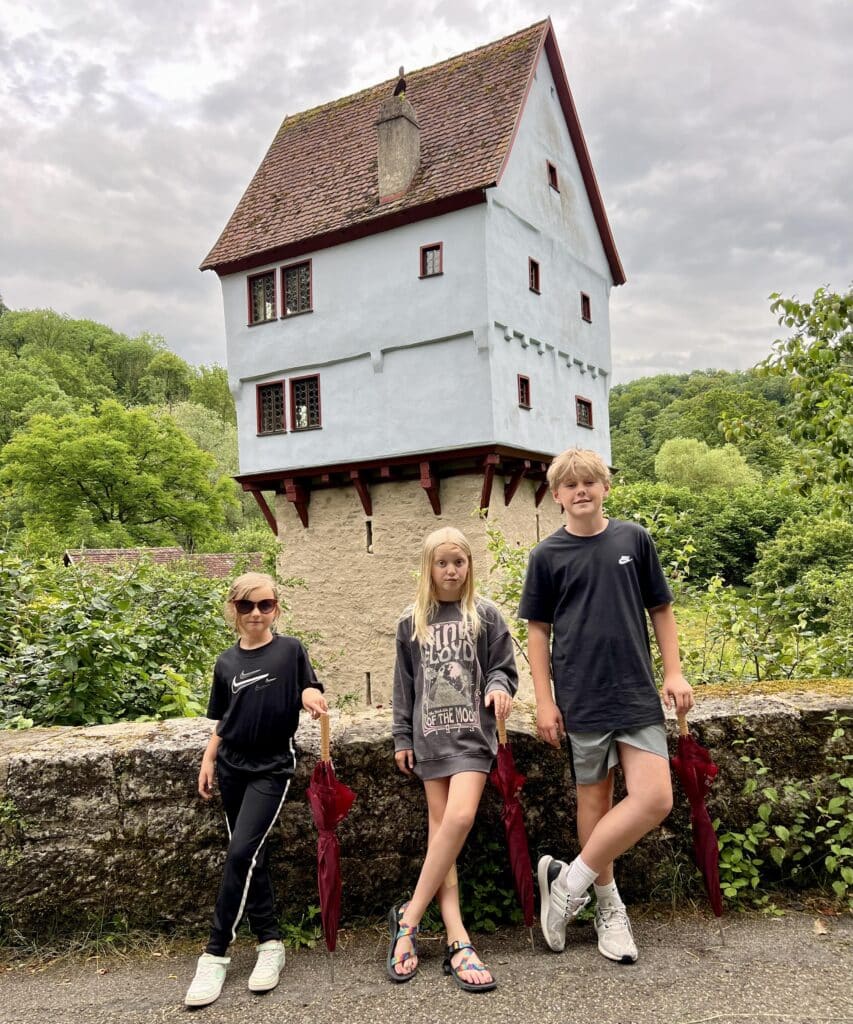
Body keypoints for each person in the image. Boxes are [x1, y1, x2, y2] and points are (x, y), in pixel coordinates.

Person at [518, 447, 693, 964]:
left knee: (654, 799)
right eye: (570, 485)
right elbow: (537, 633)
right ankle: (608, 906)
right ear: (556, 496)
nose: (581, 491)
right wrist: (544, 702)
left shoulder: (633, 539)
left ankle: (567, 884)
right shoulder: (546, 556)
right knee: (594, 803)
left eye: (589, 482)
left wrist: (675, 671)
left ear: (605, 487)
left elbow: (660, 608)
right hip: (581, 696)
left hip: (636, 691)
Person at [184, 572, 327, 1007]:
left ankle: (214, 953)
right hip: (231, 768)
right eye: (247, 606)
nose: (256, 614)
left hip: (271, 768)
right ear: (234, 610)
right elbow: (224, 721)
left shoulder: (290, 650)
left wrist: (309, 696)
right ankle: (270, 944)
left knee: (240, 852)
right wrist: (209, 759)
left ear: (276, 608)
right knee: (252, 857)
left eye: (265, 605)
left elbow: (308, 684)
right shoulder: (226, 662)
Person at [389, 526, 518, 992]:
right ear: (429, 568)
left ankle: (408, 919)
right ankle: (457, 938)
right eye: (442, 563)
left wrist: (499, 687)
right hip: (428, 740)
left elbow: (503, 667)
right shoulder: (412, 621)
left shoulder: (484, 614)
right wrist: (401, 736)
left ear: (469, 566)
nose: (450, 571)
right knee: (442, 836)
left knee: (459, 818)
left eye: (458, 563)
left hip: (471, 737)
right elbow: (403, 687)